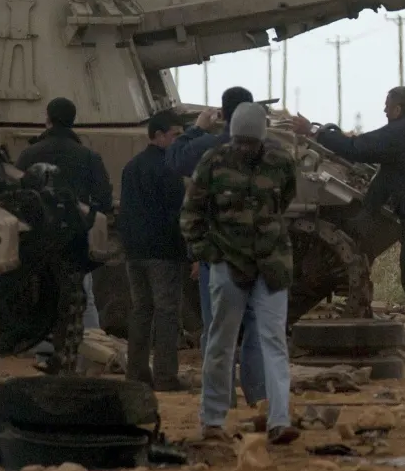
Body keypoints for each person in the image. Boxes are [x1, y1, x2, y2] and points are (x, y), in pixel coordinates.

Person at [294, 87, 405, 365]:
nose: (384, 110)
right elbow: (387, 172)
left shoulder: (400, 132)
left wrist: (314, 132)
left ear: (398, 109)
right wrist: (366, 214)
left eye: (387, 106)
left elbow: (357, 148)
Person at [181, 104, 298, 445]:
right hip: (228, 263)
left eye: (249, 141)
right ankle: (213, 420)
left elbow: (285, 200)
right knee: (220, 342)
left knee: (273, 341)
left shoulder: (280, 162)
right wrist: (208, 254)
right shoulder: (214, 162)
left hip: (271, 264)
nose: (243, 148)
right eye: (239, 141)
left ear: (261, 138)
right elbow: (192, 213)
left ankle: (279, 419)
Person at [166, 85, 263, 404]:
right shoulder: (271, 151)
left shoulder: (208, 147)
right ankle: (259, 396)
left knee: (218, 331)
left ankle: (222, 399)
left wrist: (196, 128)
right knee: (255, 330)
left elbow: (175, 159)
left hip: (219, 255)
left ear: (223, 114)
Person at [17, 97, 113, 337]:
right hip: (75, 237)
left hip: (37, 237)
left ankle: (42, 350)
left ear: (47, 119)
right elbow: (104, 199)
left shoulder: (29, 154)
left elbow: (16, 195)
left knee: (40, 295)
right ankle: (92, 348)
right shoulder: (88, 156)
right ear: (73, 121)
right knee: (83, 295)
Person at [119, 110, 189, 392]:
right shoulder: (170, 168)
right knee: (167, 312)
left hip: (134, 252)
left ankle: (136, 373)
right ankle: (165, 376)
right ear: (159, 136)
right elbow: (177, 213)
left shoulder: (131, 166)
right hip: (163, 252)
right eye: (175, 135)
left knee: (141, 310)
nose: (178, 141)